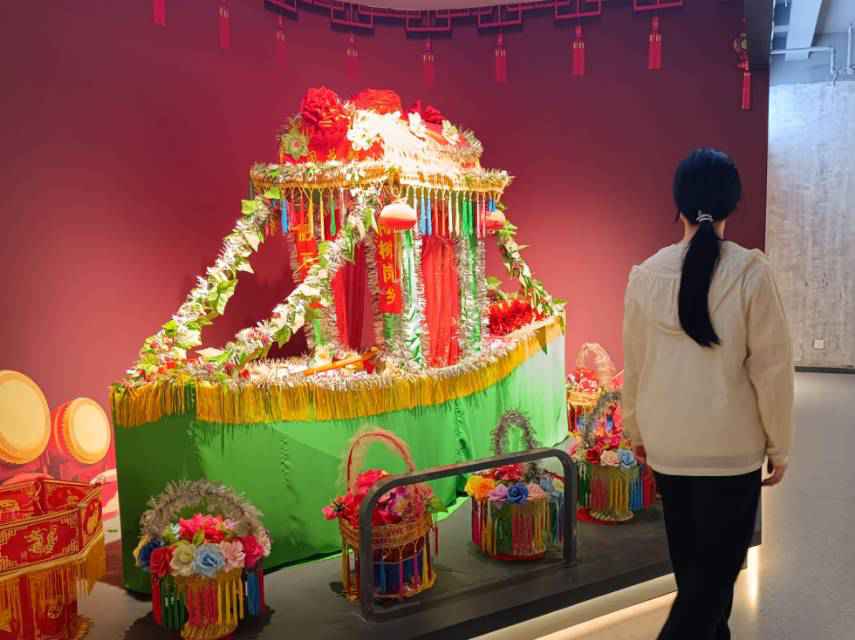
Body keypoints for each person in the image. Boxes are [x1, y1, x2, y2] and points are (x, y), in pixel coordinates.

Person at [622, 148, 794, 640]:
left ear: (677, 204)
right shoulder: (750, 273)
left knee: (697, 579)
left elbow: (636, 365)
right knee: (707, 589)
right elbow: (773, 371)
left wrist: (636, 430)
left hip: (669, 449)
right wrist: (780, 445)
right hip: (730, 452)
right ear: (731, 205)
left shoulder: (645, 275)